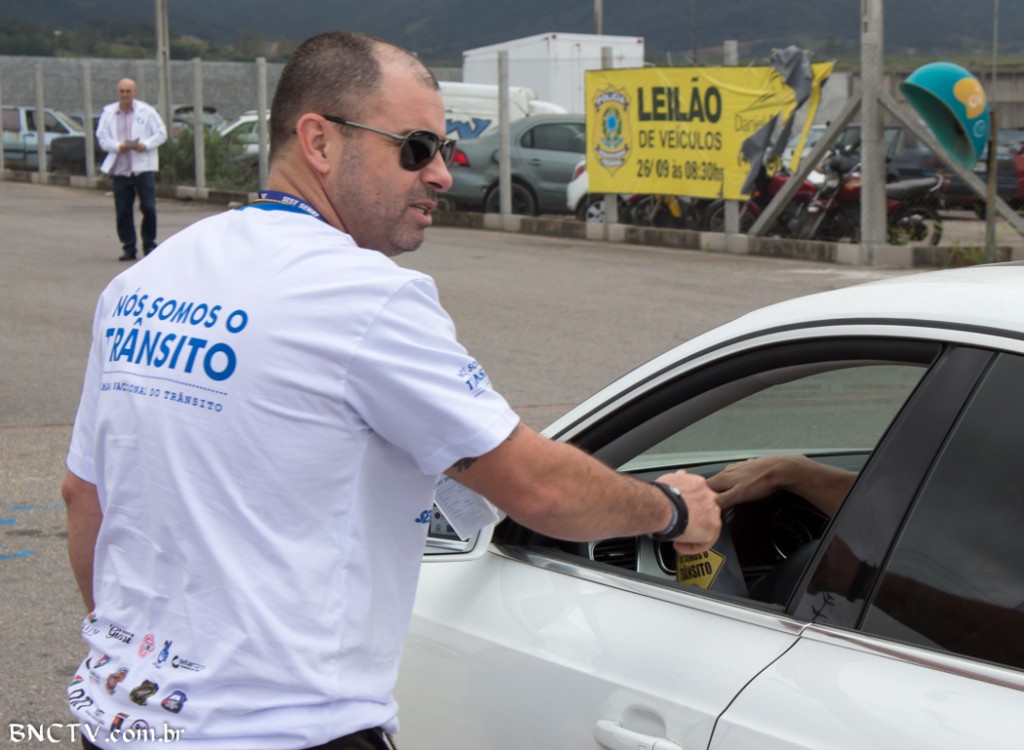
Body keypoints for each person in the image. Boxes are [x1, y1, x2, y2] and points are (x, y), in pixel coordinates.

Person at [61, 32, 721, 750]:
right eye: (416, 148)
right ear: (319, 141)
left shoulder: (147, 279)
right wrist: (672, 508)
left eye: (445, 149)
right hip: (286, 731)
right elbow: (540, 491)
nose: (441, 174)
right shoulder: (365, 296)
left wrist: (140, 668)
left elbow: (83, 495)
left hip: (122, 719)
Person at [95, 78, 167, 261]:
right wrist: (117, 146)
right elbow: (102, 137)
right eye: (122, 91)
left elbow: (161, 133)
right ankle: (129, 247)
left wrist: (145, 145)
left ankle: (149, 244)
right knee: (123, 211)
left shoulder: (147, 111)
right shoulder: (109, 113)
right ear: (117, 92)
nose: (125, 95)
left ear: (135, 92)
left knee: (148, 208)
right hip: (121, 168)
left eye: (128, 91)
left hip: (143, 168)